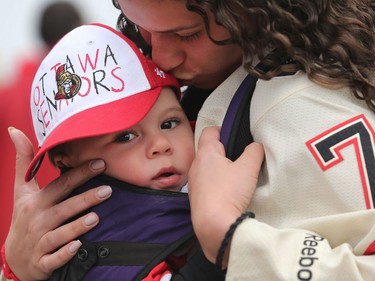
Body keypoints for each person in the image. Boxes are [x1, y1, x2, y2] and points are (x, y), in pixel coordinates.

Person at [2, 0, 375, 280]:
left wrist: (229, 236)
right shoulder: (207, 90)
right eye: (141, 27)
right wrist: (17, 268)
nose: (159, 55)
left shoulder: (300, 104)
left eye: (186, 33)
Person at [8, 22, 222, 281]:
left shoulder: (223, 151)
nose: (160, 145)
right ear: (68, 161)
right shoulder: (76, 253)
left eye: (169, 123)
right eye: (125, 137)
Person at [0, 1, 83, 262]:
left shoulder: (10, 92)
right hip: (72, 227)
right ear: (75, 31)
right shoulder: (82, 90)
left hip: (14, 232)